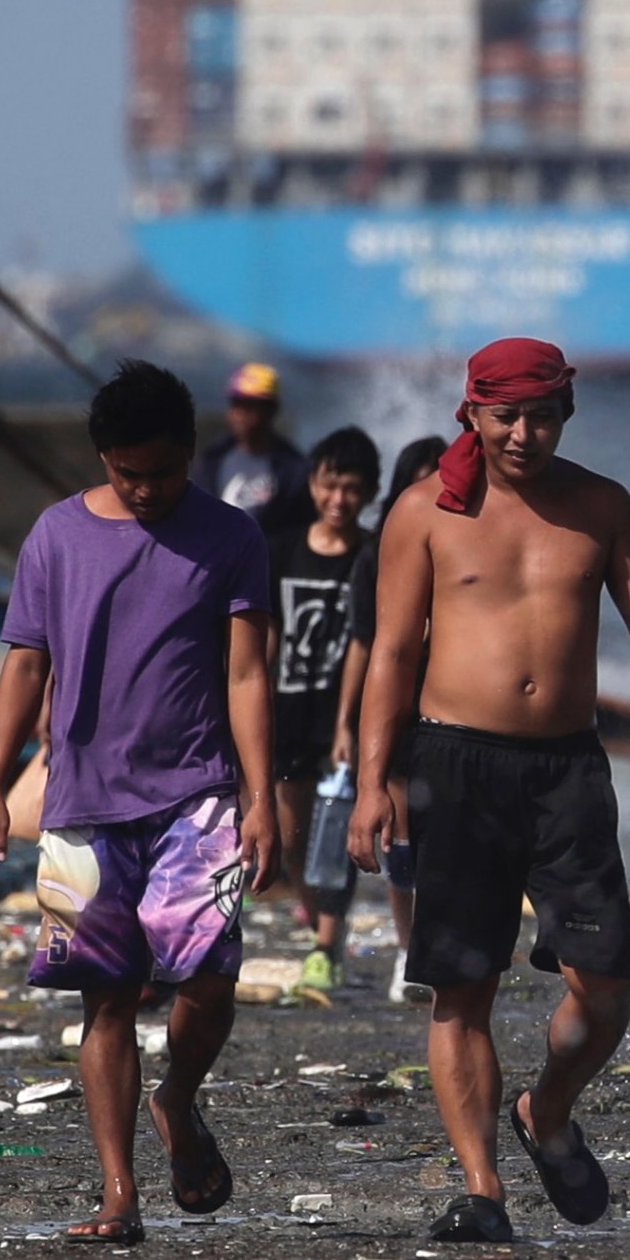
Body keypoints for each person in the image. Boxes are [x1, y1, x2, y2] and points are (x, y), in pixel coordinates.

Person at [350, 340, 630, 1244]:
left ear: (566, 415)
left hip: (565, 771)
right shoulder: (425, 512)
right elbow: (389, 653)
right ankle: (481, 1189)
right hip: (454, 765)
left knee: (606, 987)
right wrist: (373, 779)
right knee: (462, 988)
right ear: (471, 412)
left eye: (540, 415)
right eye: (505, 415)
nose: (523, 432)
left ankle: (546, 1112)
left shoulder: (600, 506)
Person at [0, 359, 278, 1246]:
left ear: (193, 454)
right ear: (103, 457)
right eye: (126, 472)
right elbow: (24, 664)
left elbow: (247, 673)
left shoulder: (230, 537)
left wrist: (262, 798)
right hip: (83, 801)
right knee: (104, 999)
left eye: (163, 472)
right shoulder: (55, 537)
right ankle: (118, 1196)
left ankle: (176, 1094)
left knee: (211, 974)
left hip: (197, 791)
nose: (145, 490)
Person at [264, 425, 382, 997]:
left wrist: (353, 724)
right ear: (313, 484)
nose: (340, 500)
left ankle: (326, 945)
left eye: (353, 489)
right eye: (331, 485)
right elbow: (263, 634)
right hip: (287, 710)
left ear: (370, 493)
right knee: (290, 837)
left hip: (346, 721)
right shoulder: (280, 550)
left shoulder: (373, 555)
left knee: (334, 836)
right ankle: (316, 922)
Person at [333, 434, 445, 1002]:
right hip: (395, 703)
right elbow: (362, 642)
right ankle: (407, 950)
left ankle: (441, 945)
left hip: (452, 709)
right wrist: (345, 724)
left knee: (447, 835)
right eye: (421, 479)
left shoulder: (466, 539)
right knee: (399, 835)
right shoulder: (378, 552)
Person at [194, 360, 304, 520]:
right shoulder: (210, 461)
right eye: (238, 404)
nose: (243, 415)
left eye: (253, 406)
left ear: (271, 411)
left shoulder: (294, 470)